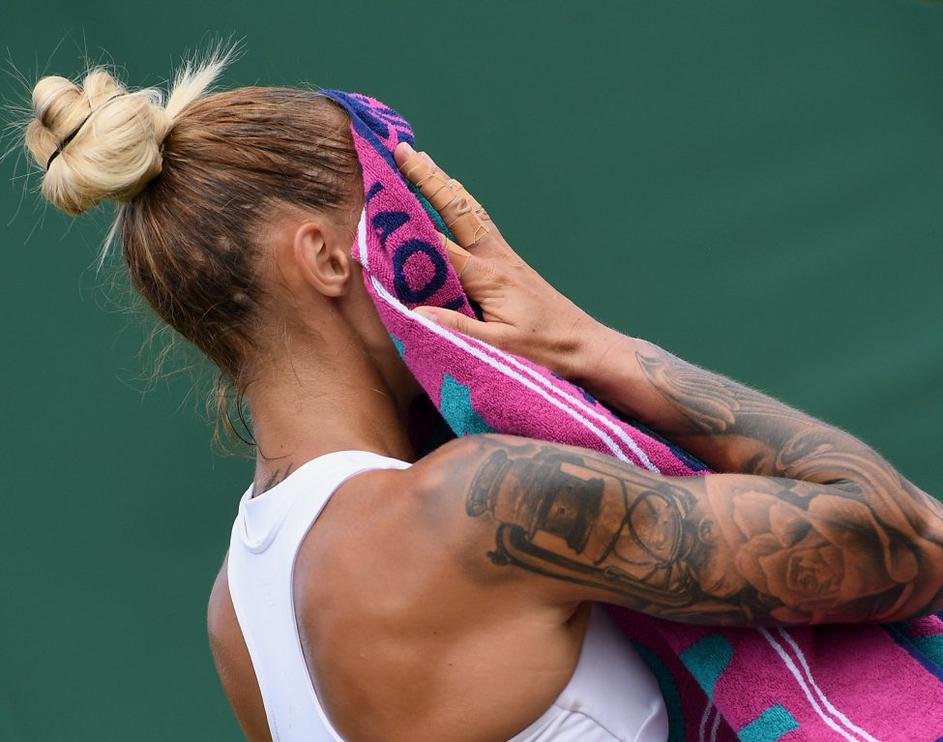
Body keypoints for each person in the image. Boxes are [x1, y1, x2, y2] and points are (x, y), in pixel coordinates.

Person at [23, 54, 943, 742]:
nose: (439, 243)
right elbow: (911, 540)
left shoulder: (237, 618)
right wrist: (601, 349)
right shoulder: (478, 503)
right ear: (327, 256)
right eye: (406, 210)